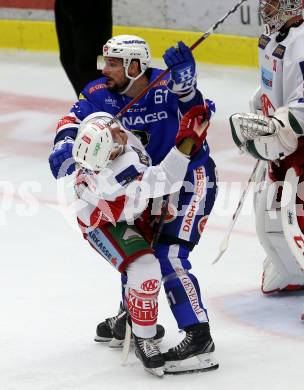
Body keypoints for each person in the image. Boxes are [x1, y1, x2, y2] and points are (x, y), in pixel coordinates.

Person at [49, 34, 218, 374]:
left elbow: (197, 115)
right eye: (106, 61)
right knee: (139, 254)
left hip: (187, 180)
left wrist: (187, 89)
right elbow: (71, 120)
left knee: (169, 256)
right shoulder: (99, 94)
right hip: (146, 188)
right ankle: (133, 316)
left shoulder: (166, 85)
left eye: (113, 63)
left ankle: (200, 339)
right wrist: (64, 146)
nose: (104, 69)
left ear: (135, 66)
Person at [71, 106, 210, 376]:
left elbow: (75, 115)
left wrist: (63, 138)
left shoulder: (97, 126)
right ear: (108, 156)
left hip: (130, 208)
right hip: (105, 222)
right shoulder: (113, 177)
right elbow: (166, 179)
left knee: (141, 266)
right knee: (145, 268)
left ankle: (128, 316)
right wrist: (187, 141)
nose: (119, 133)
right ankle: (145, 338)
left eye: (113, 129)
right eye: (113, 141)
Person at [230, 1, 304, 305]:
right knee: (272, 210)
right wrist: (261, 108)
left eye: (273, 2)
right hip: (284, 144)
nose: (266, 8)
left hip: (300, 142)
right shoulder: (274, 36)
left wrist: (279, 125)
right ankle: (292, 271)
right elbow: (268, 85)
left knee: (298, 212)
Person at [54, 0, 112, 96]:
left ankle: (102, 102)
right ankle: (88, 101)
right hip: (65, 4)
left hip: (92, 6)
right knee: (68, 59)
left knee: (92, 62)